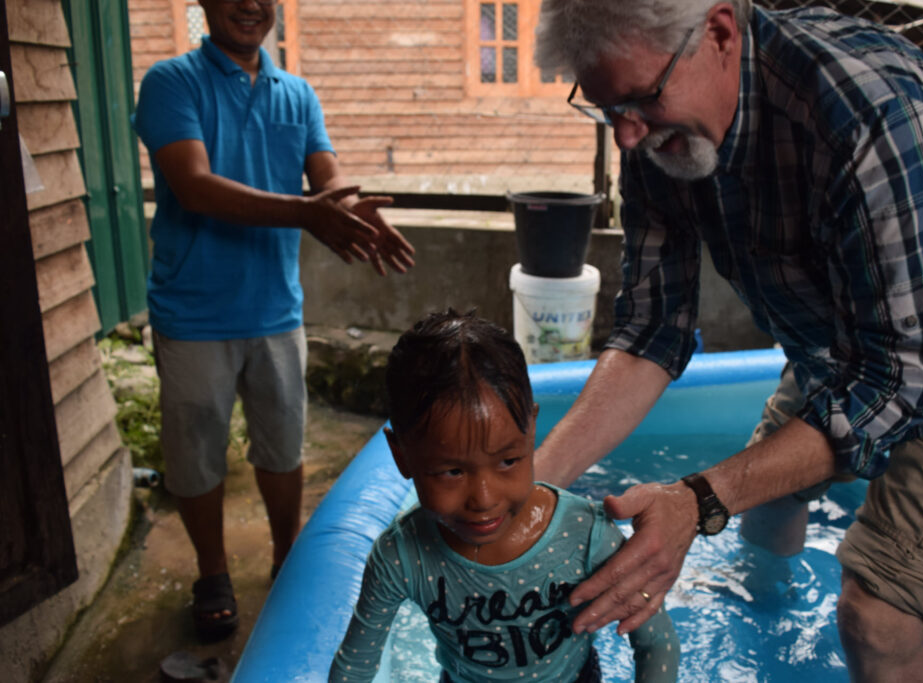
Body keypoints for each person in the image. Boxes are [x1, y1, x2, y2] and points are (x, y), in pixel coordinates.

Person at [531, 1, 923, 681]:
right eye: (609, 108)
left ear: (721, 33)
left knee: (876, 617)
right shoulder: (653, 128)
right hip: (842, 337)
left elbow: (897, 379)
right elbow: (650, 331)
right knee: (759, 510)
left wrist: (696, 500)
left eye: (641, 100)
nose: (626, 137)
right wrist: (529, 489)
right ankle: (769, 625)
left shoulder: (865, 114)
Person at [132, 0, 415, 641]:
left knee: (282, 446)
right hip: (192, 310)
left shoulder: (298, 93)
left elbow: (327, 178)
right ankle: (213, 573)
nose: (251, 6)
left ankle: (288, 556)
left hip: (275, 310)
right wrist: (307, 212)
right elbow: (194, 186)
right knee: (196, 455)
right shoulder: (171, 83)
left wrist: (359, 212)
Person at [329, 310, 679, 682]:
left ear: (531, 431)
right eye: (452, 472)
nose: (483, 498)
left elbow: (658, 644)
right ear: (402, 456)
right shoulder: (401, 557)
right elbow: (355, 667)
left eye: (508, 461)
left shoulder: (585, 536)